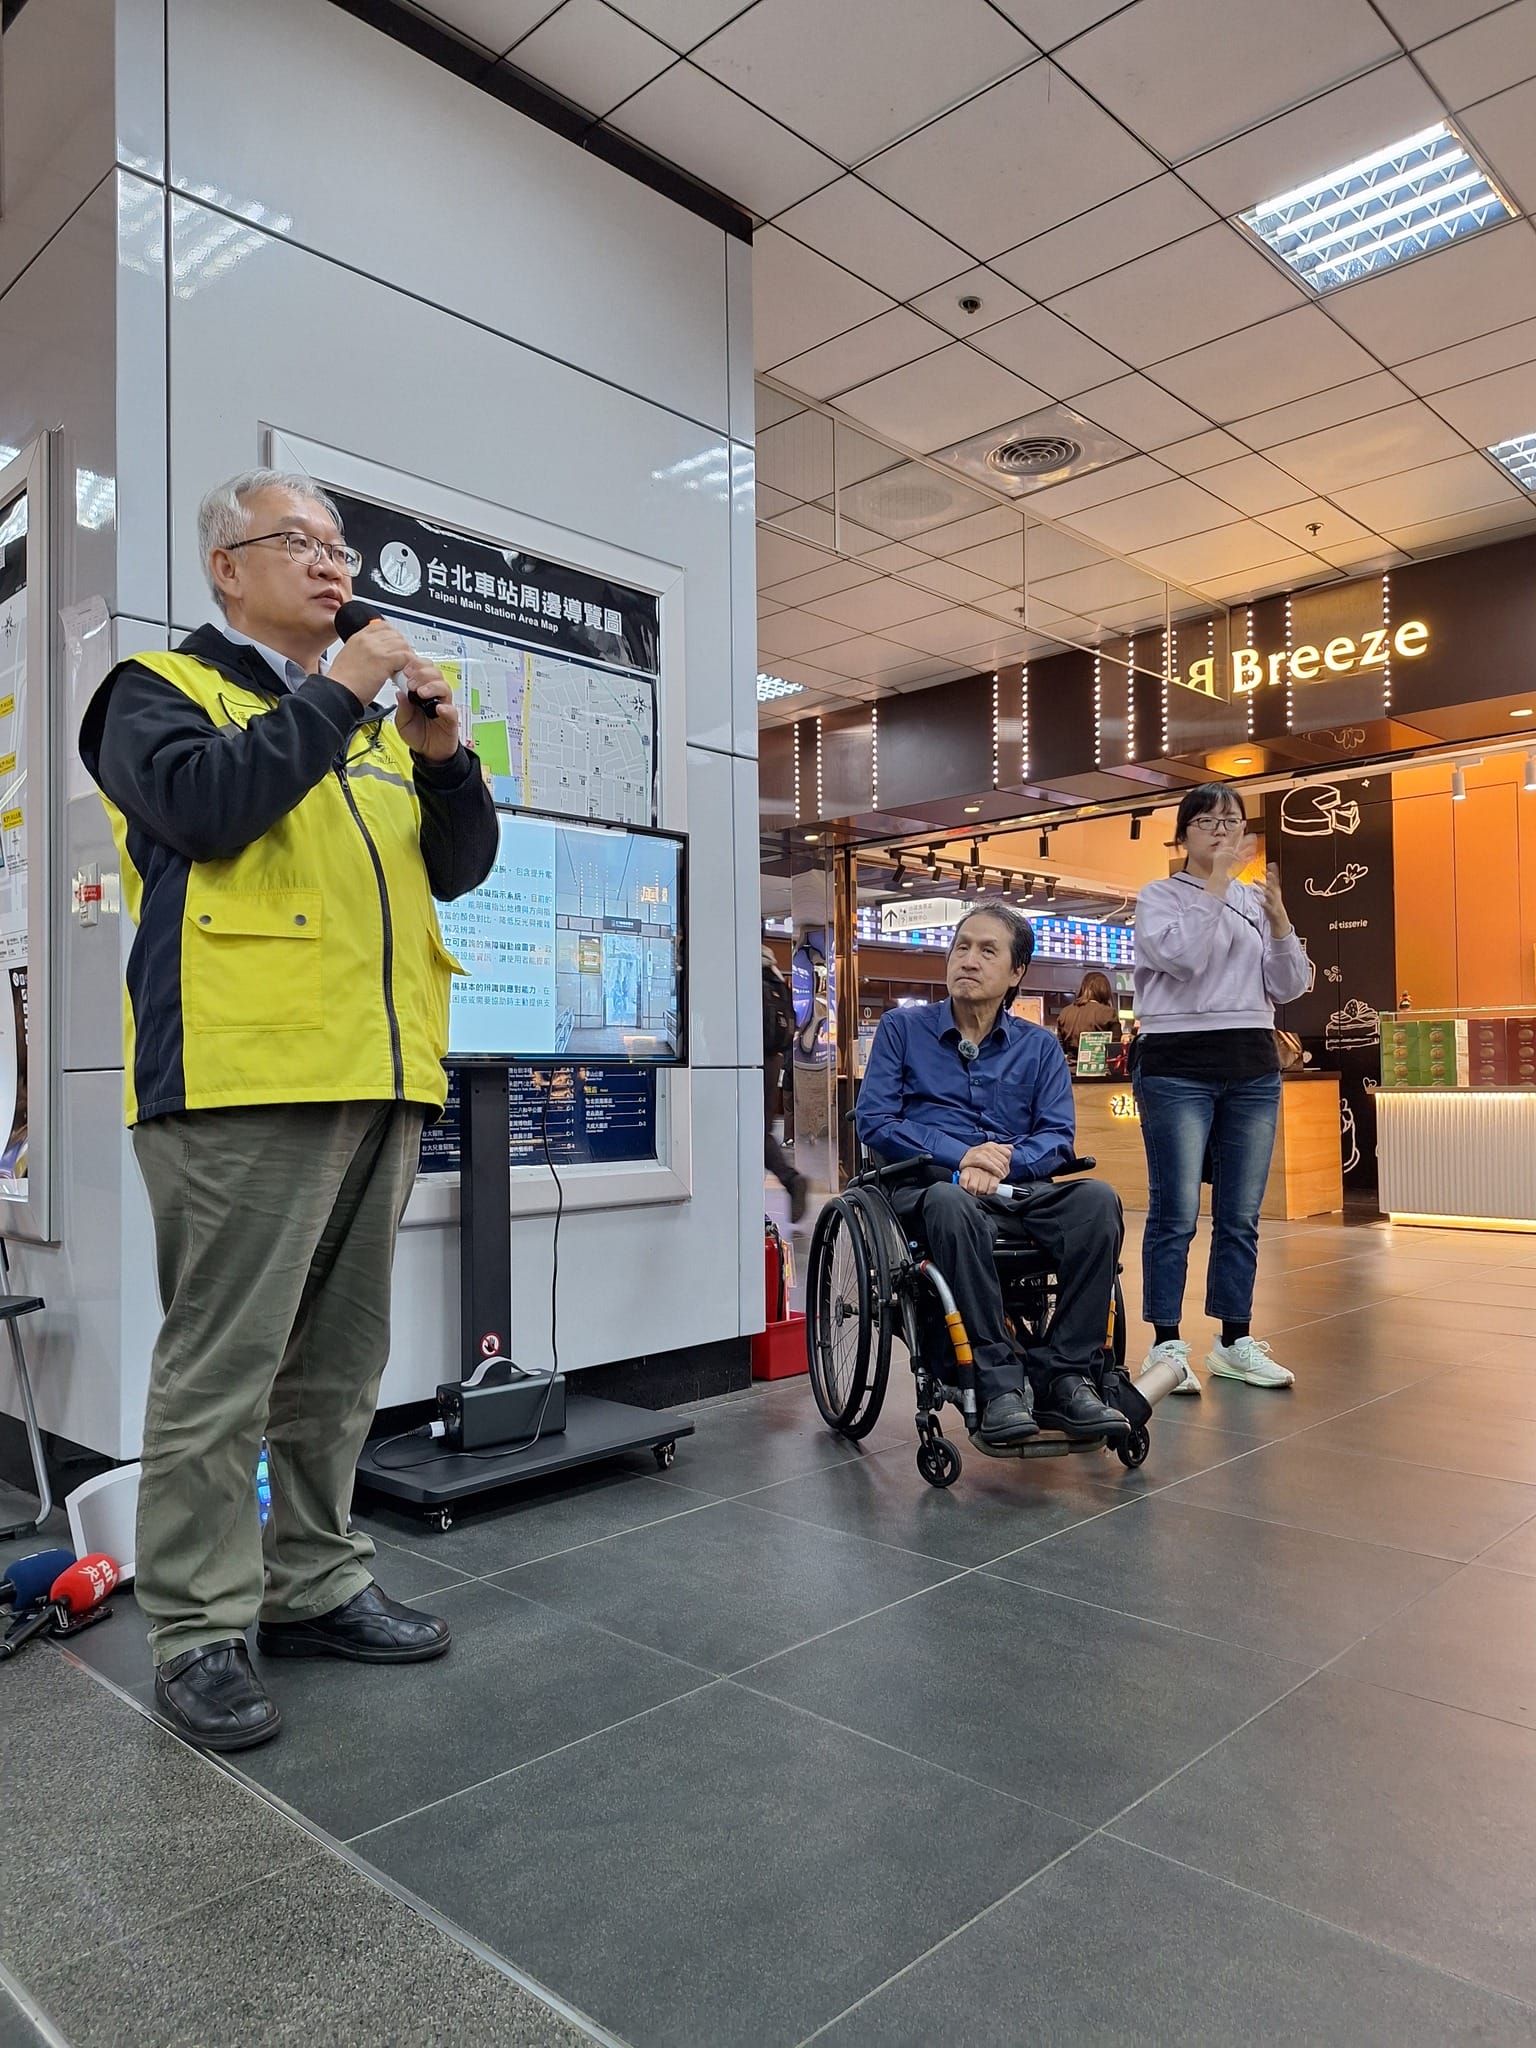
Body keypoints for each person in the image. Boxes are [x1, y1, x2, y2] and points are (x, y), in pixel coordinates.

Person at [77, 469, 499, 1751]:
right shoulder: (157, 692)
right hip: (241, 1074)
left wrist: (442, 757)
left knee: (341, 1357)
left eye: (340, 546)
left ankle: (312, 1577)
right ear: (227, 568)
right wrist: (346, 685)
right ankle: (202, 1625)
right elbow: (208, 808)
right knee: (225, 1360)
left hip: (380, 1069)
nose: (332, 564)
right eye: (299, 544)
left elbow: (461, 868)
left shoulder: (365, 730)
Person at [855, 905, 1127, 1447]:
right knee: (949, 1204)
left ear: (1016, 972)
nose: (969, 961)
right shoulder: (902, 1030)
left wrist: (1000, 1159)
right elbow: (875, 1120)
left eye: (987, 951)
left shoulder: (1041, 1046)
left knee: (1097, 1202)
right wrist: (962, 1157)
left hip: (1018, 1190)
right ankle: (997, 1381)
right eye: (961, 947)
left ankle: (1067, 1374)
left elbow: (1056, 1137)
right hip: (930, 1188)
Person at [1132, 784, 1311, 1396]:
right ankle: (1165, 1345)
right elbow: (1182, 957)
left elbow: (1289, 986)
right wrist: (1215, 884)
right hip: (1176, 1063)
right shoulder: (1158, 897)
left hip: (1252, 1064)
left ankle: (1235, 1340)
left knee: (1240, 1214)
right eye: (1206, 821)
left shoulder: (1255, 901)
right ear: (1183, 835)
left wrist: (1281, 917)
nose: (1221, 830)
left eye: (1231, 821)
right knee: (1175, 1210)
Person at [762, 947, 808, 1222]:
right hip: (773, 1061)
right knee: (759, 1130)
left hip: (750, 1059)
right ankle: (790, 1179)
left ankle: (791, 1179)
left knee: (748, 1133)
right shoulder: (777, 979)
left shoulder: (747, 974)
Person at [1056, 970, 1121, 1064]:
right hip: (1099, 1072)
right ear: (1105, 990)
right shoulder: (1108, 1013)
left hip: (1070, 1072)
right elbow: (1115, 1049)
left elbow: (1060, 1048)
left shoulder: (1065, 1012)